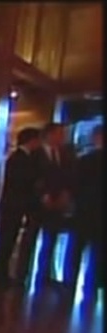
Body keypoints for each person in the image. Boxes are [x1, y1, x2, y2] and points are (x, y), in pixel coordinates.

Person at [0, 127, 42, 288]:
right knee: (5, 241)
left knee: (8, 241)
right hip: (13, 206)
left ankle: (1, 274)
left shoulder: (25, 158)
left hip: (16, 206)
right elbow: (20, 182)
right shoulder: (18, 158)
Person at [26, 122, 75, 287]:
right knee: (30, 239)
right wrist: (43, 195)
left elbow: (68, 177)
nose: (62, 137)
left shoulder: (64, 155)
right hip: (37, 205)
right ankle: (22, 275)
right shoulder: (35, 155)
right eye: (59, 134)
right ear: (49, 134)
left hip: (57, 203)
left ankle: (45, 273)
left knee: (51, 240)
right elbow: (31, 178)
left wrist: (65, 194)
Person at [66, 123, 103, 293]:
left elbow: (75, 185)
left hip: (84, 210)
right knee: (98, 251)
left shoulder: (85, 160)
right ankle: (93, 283)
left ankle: (70, 281)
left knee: (76, 248)